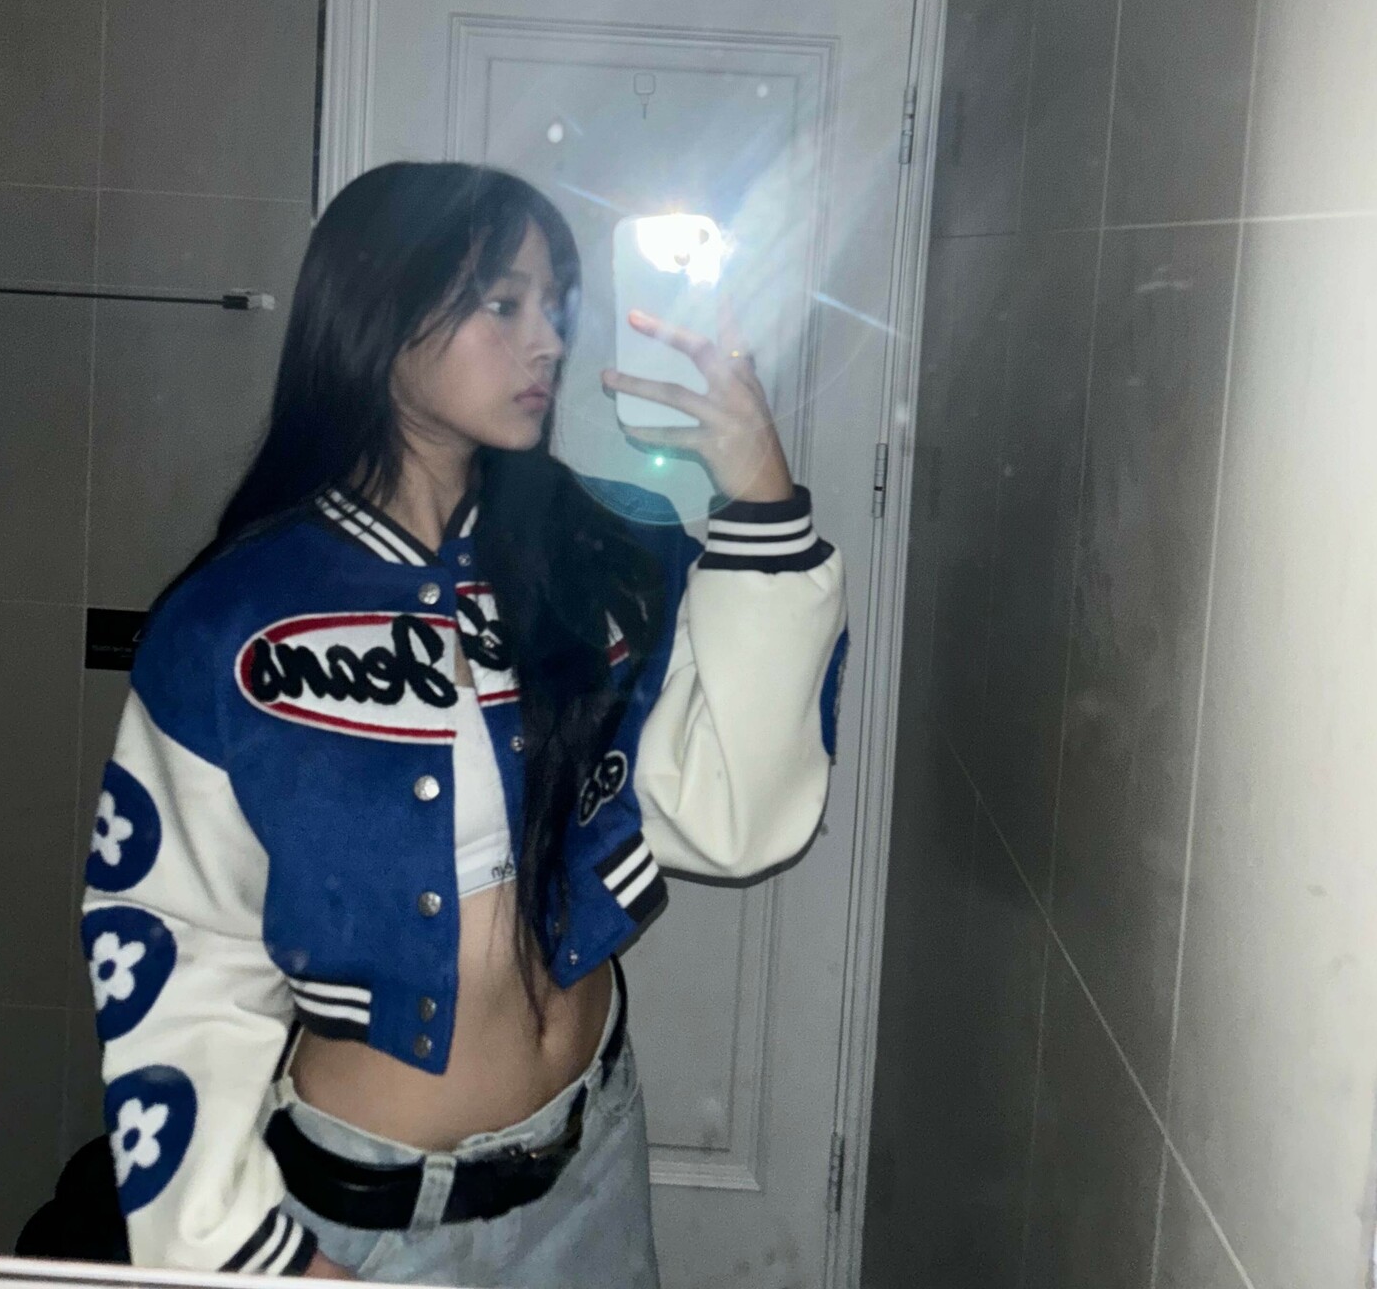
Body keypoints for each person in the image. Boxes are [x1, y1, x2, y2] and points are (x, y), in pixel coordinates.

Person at [79, 160, 849, 1289]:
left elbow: (735, 813)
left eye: (555, 305)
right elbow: (175, 949)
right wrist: (249, 1254)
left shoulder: (595, 555)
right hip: (370, 1229)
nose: (548, 341)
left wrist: (758, 491)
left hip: (593, 1164)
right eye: (503, 303)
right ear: (380, 312)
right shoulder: (233, 623)